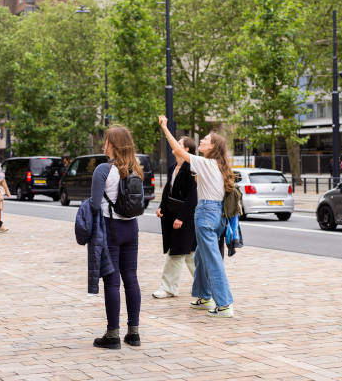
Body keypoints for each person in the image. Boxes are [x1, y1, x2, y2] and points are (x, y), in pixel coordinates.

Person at [159, 116, 235, 318]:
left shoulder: (206, 163)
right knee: (201, 256)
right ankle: (204, 297)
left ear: (213, 147)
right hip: (216, 214)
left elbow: (177, 150)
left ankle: (225, 304)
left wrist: (165, 128)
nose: (201, 141)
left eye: (206, 140)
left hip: (206, 214)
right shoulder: (216, 164)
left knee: (212, 259)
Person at [90, 125, 143, 349]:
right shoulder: (136, 170)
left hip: (110, 228)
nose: (104, 144)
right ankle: (134, 333)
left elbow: (94, 204)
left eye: (106, 140)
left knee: (112, 282)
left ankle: (112, 335)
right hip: (131, 228)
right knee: (130, 277)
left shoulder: (103, 170)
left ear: (112, 144)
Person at [153, 136, 198, 299]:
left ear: (186, 149)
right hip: (173, 217)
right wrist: (161, 208)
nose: (175, 145)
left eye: (179, 143)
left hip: (185, 219)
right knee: (190, 255)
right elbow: (167, 192)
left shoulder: (192, 168)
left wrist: (181, 218)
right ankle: (208, 287)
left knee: (177, 252)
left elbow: (192, 197)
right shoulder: (173, 167)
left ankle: (168, 287)